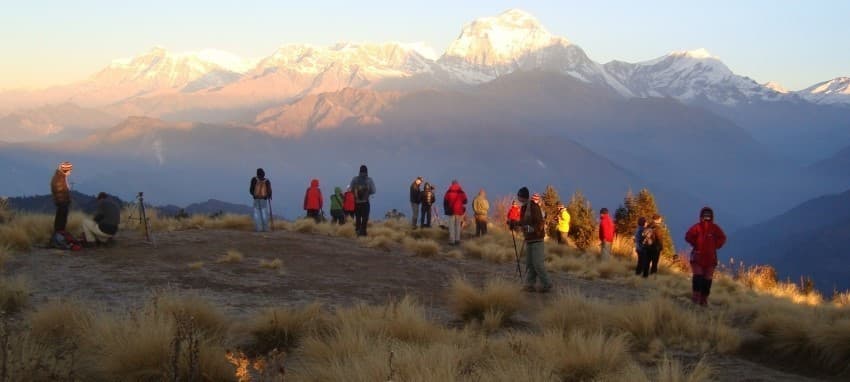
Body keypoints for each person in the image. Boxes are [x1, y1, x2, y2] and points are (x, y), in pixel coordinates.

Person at [685, 207, 727, 306]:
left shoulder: (714, 228)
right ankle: (696, 299)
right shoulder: (697, 227)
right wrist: (696, 244)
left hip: (710, 259)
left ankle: (703, 300)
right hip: (698, 257)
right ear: (701, 216)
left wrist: (715, 245)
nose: (707, 217)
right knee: (698, 278)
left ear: (711, 216)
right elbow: (688, 236)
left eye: (708, 215)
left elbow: (723, 238)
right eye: (705, 215)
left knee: (707, 281)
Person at [518, 188, 552, 293]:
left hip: (537, 239)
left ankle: (547, 284)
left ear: (523, 196)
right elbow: (524, 222)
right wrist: (514, 223)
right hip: (529, 239)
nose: (518, 198)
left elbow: (539, 224)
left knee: (537, 263)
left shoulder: (533, 207)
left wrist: (528, 229)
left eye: (519, 196)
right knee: (530, 263)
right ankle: (529, 285)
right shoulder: (524, 207)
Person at [350, 165, 376, 236]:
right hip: (365, 202)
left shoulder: (355, 179)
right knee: (365, 217)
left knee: (358, 217)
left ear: (359, 171)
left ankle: (357, 231)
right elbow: (373, 191)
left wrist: (355, 194)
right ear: (367, 171)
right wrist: (368, 193)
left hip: (357, 202)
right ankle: (363, 232)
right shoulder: (369, 180)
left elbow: (351, 189)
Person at [443, 180, 468, 245]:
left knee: (451, 226)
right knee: (458, 226)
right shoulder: (461, 192)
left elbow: (445, 202)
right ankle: (457, 240)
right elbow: (465, 201)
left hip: (451, 211)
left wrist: (446, 209)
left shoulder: (448, 192)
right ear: (458, 184)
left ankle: (452, 241)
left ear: (452, 184)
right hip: (459, 211)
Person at [50, 161, 73, 233]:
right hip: (62, 202)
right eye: (69, 170)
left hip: (61, 202)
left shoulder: (59, 177)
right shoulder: (60, 178)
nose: (70, 172)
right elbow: (60, 191)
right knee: (61, 220)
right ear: (66, 170)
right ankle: (59, 234)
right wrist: (67, 200)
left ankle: (59, 234)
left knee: (60, 219)